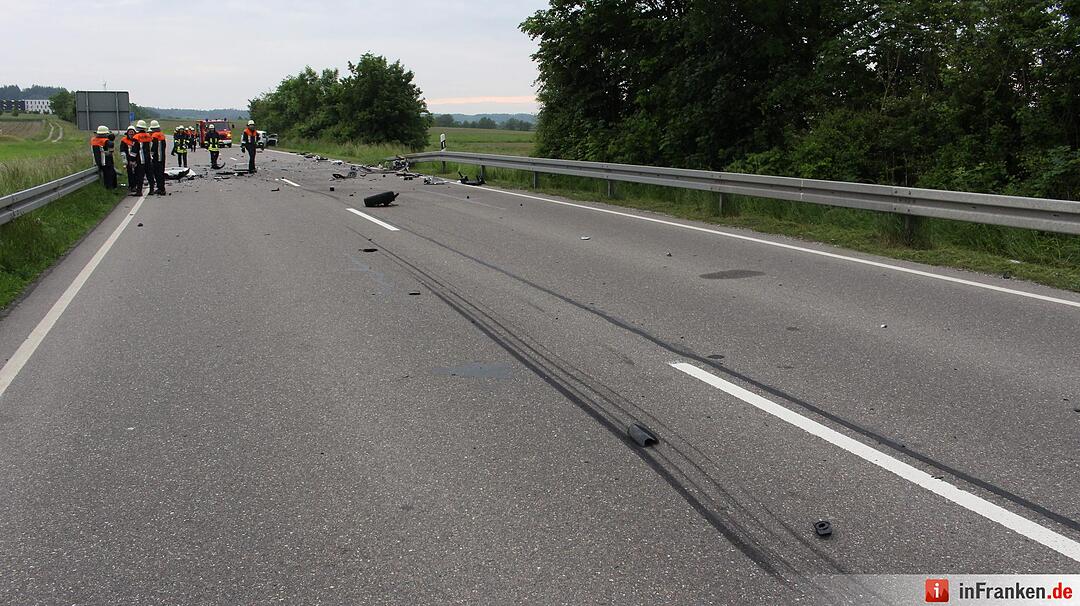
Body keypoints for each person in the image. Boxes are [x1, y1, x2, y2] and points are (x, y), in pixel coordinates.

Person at [133, 120, 154, 195]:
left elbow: (134, 150)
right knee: (150, 175)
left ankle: (139, 191)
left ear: (138, 128)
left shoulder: (136, 137)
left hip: (140, 159)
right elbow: (151, 147)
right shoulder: (149, 136)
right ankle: (152, 190)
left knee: (140, 176)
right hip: (148, 158)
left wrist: (132, 160)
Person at [148, 120, 166, 195]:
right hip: (162, 157)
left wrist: (150, 155)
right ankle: (162, 188)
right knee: (161, 173)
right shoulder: (162, 135)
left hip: (156, 158)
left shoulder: (154, 136)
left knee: (157, 173)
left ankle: (160, 189)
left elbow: (153, 147)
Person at [119, 125, 138, 194]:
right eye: (130, 133)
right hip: (128, 160)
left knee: (137, 173)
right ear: (127, 133)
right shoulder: (124, 140)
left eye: (132, 133)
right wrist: (125, 161)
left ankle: (136, 185)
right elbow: (122, 151)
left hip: (137, 159)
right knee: (130, 173)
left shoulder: (136, 140)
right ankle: (132, 186)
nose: (131, 134)